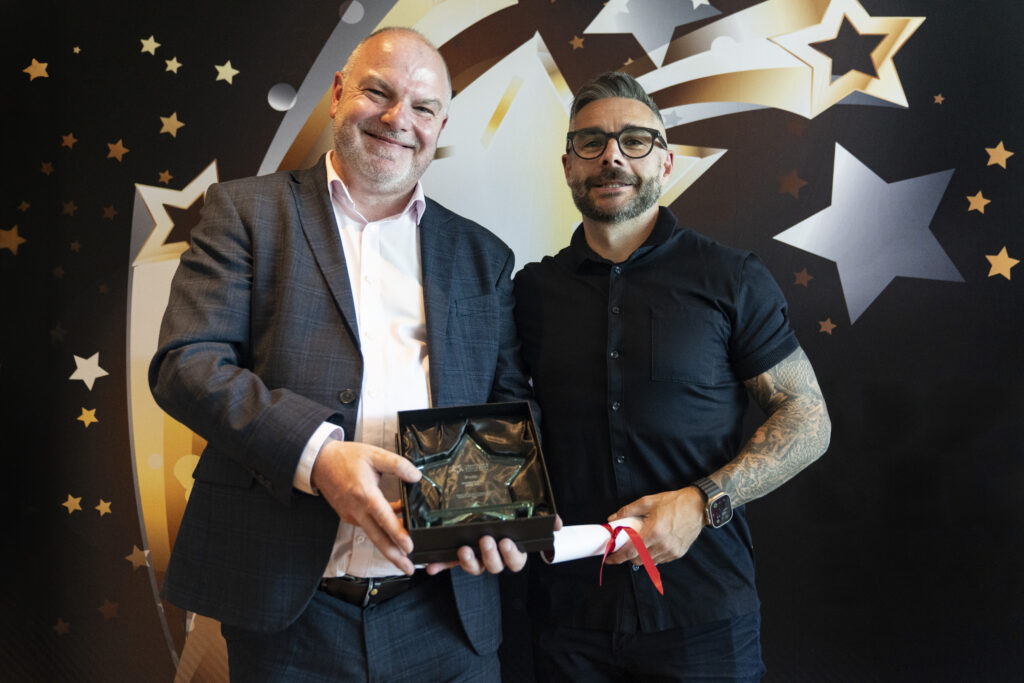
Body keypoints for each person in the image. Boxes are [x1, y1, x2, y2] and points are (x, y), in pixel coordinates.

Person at [149, 27, 532, 682]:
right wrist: (318, 455)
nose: (396, 120)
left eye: (422, 107)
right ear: (336, 95)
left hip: (444, 613)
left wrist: (492, 511)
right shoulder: (245, 211)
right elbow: (186, 363)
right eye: (377, 93)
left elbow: (507, 403)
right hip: (290, 612)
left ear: (440, 124)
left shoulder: (482, 254)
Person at [512, 71, 832, 681]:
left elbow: (807, 416)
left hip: (704, 615)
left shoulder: (732, 277)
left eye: (635, 141)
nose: (611, 156)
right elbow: (500, 417)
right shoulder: (531, 291)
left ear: (666, 161)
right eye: (591, 142)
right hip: (568, 616)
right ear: (568, 166)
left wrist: (703, 501)